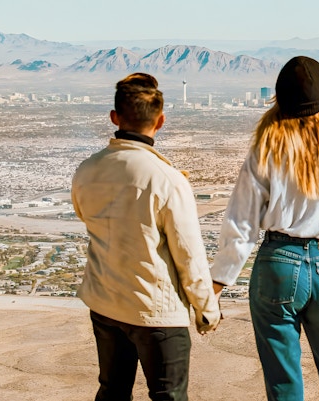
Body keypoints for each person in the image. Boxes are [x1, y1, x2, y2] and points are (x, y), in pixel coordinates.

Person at [211, 56, 319, 401]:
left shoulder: (267, 146)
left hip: (279, 264)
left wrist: (216, 285)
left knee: (283, 383)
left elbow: (242, 222)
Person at [71, 72, 220, 401]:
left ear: (114, 117)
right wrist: (207, 309)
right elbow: (189, 254)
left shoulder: (87, 170)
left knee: (112, 390)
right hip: (156, 311)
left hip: (106, 303)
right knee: (168, 395)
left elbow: (85, 216)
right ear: (161, 121)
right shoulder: (167, 180)